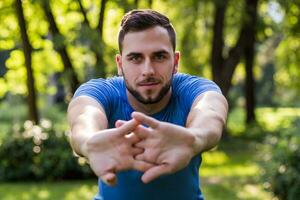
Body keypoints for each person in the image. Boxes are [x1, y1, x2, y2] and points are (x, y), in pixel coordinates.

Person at [67, 9, 228, 200]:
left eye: (159, 56)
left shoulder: (194, 89)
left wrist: (195, 139)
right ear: (120, 64)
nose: (148, 70)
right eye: (135, 58)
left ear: (175, 61)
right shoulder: (101, 91)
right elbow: (84, 116)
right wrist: (87, 142)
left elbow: (210, 112)